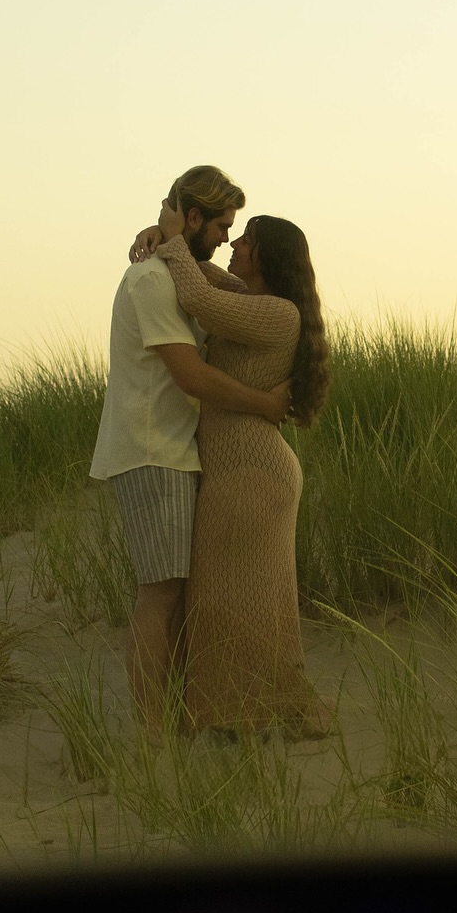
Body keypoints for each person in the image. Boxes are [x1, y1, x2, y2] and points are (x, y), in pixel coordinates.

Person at [90, 166, 288, 737]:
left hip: (174, 450)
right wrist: (263, 404)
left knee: (173, 597)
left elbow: (230, 294)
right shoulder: (152, 281)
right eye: (223, 224)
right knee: (159, 597)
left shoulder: (178, 272)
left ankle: (174, 725)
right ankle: (156, 738)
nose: (228, 236)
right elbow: (190, 375)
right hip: (153, 451)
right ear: (195, 217)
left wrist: (164, 236)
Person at [130, 206, 330, 736]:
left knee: (233, 604)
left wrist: (173, 238)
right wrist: (162, 236)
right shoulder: (251, 301)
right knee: (228, 603)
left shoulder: (278, 314)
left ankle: (239, 718)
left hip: (250, 476)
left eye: (246, 239)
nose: (235, 245)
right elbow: (205, 276)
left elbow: (195, 295)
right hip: (237, 473)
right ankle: (238, 716)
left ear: (269, 258)